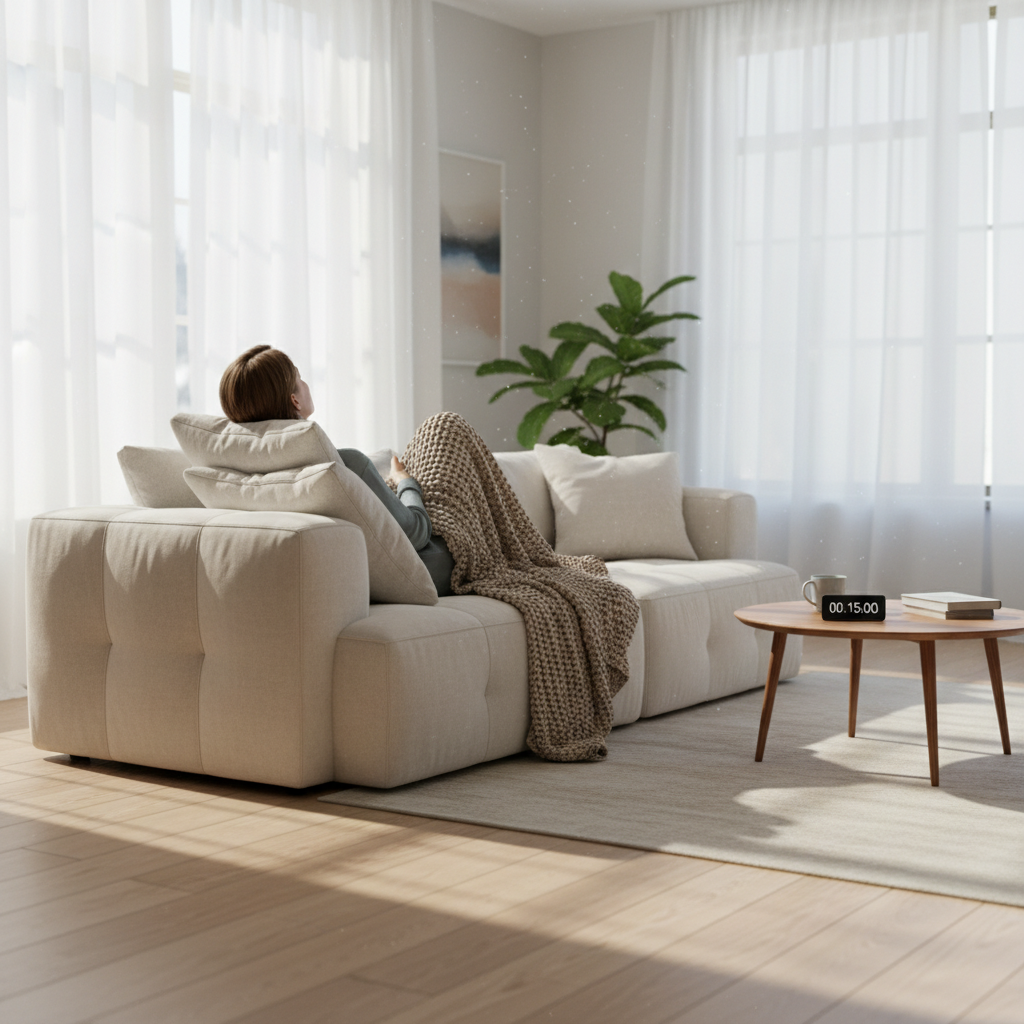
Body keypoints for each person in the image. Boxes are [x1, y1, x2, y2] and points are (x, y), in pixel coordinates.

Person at [218, 344, 454, 595]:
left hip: (347, 577)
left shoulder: (244, 474)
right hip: (429, 566)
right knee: (444, 426)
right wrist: (405, 480)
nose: (305, 383)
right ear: (294, 400)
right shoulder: (344, 466)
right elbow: (416, 533)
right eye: (299, 377)